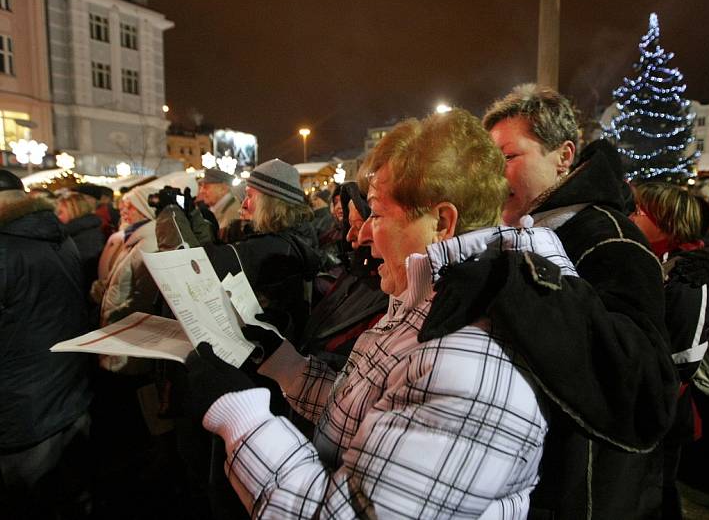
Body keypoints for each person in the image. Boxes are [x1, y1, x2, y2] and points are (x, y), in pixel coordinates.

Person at [181, 109, 589, 518]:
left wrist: (239, 415)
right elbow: (364, 410)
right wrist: (281, 361)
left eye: (376, 214)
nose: (359, 234)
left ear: (442, 223)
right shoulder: (433, 299)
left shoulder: (473, 357)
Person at [483, 83, 676, 518]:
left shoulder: (607, 238)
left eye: (509, 157)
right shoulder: (526, 233)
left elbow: (646, 385)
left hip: (583, 492)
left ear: (564, 155)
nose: (496, 175)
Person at [0, 170, 93, 518]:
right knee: (71, 494)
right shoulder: (58, 238)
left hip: (23, 407)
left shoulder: (7, 248)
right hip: (67, 390)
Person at [158, 158, 321, 343]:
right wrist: (193, 216)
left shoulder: (268, 248)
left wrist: (170, 214)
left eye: (250, 196)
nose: (243, 204)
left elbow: (194, 270)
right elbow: (214, 256)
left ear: (270, 203)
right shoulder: (286, 242)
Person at [629, 182, 709, 519]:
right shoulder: (653, 261)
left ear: (667, 222)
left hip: (661, 415)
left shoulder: (687, 277)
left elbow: (684, 358)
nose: (632, 217)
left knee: (657, 494)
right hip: (650, 408)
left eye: (641, 212)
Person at [298, 181, 388, 371]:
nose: (351, 236)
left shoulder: (389, 290)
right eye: (349, 224)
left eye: (361, 223)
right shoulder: (354, 272)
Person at [100, 185, 160, 326]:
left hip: (123, 324)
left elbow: (144, 295)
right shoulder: (133, 238)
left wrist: (114, 316)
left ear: (145, 209)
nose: (123, 211)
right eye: (123, 206)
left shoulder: (149, 242)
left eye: (131, 207)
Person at [56, 191, 106, 300]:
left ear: (75, 211)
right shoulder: (79, 233)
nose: (57, 217)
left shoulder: (85, 237)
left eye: (60, 212)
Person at [196, 167, 240, 235]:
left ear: (223, 188)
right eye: (201, 187)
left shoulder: (233, 213)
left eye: (206, 187)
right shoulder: (219, 209)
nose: (201, 191)